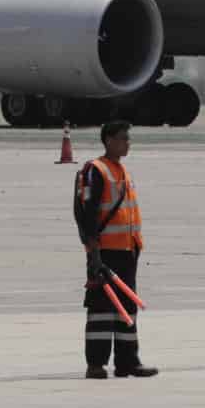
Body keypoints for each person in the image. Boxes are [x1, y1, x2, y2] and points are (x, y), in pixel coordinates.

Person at [73, 119, 157, 378]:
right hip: (105, 251)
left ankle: (127, 361)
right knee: (101, 309)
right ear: (109, 140)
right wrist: (93, 253)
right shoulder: (95, 170)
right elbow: (84, 214)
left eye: (128, 138)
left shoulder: (122, 171)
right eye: (123, 138)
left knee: (126, 308)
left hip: (127, 251)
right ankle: (96, 364)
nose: (127, 143)